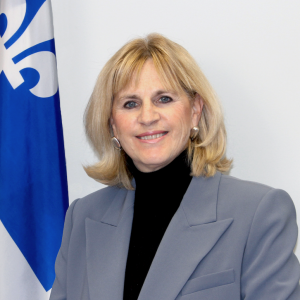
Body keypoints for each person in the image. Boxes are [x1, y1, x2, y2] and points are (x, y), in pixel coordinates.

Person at [50, 33, 300, 300]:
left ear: (195, 110)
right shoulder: (82, 217)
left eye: (164, 99)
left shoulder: (259, 213)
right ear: (113, 124)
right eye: (130, 103)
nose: (147, 116)